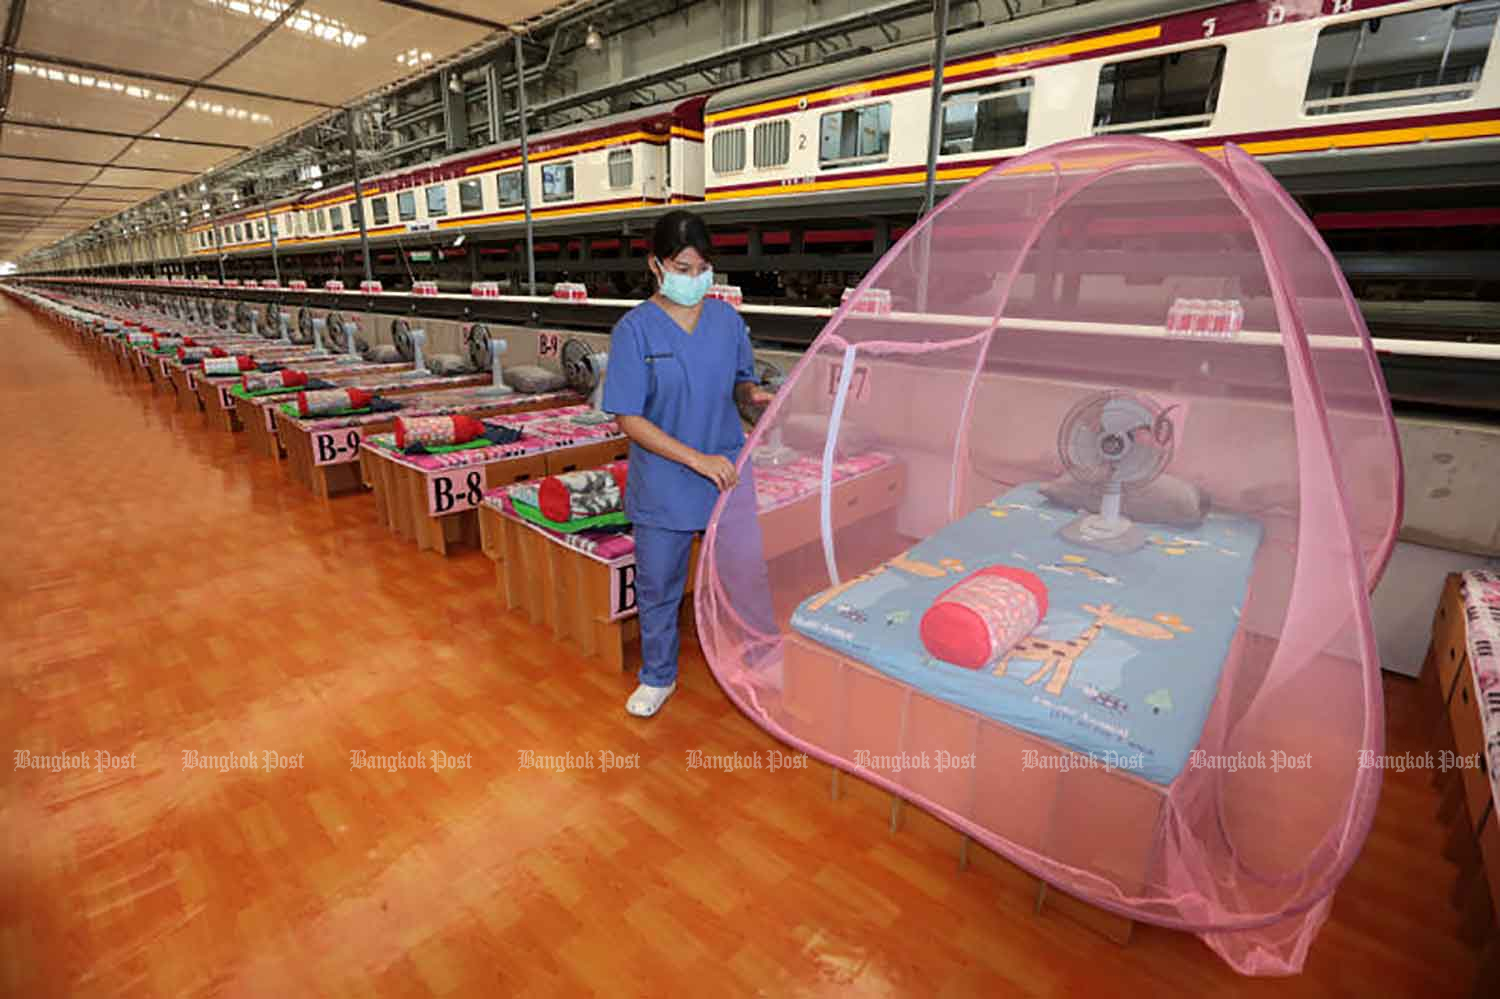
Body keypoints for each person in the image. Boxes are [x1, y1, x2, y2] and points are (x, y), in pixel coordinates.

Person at [602, 210, 775, 718]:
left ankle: (762, 655)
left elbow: (739, 384)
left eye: (702, 268)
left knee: (746, 573)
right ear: (656, 265)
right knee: (659, 584)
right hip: (667, 479)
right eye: (682, 268)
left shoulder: (725, 320)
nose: (693, 279)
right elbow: (628, 419)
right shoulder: (634, 330)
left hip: (727, 472)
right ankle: (657, 676)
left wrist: (755, 398)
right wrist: (695, 459)